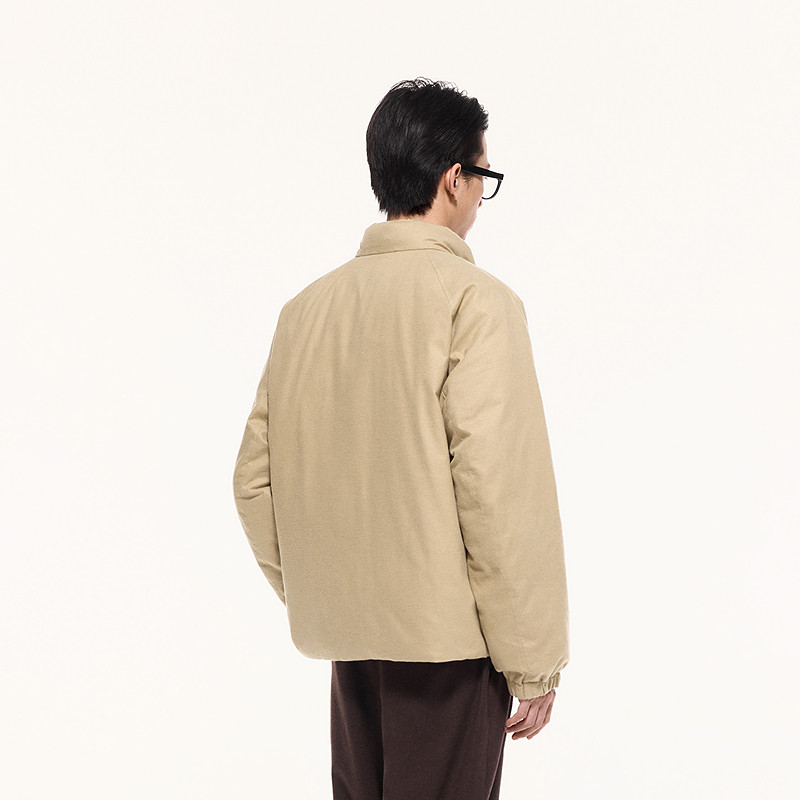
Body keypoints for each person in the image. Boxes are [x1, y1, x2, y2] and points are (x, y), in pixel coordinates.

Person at [232, 77, 570, 800]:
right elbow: (498, 491)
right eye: (483, 178)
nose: (481, 198)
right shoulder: (475, 303)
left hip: (352, 654)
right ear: (454, 179)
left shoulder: (305, 311)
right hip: (449, 655)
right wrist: (533, 662)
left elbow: (254, 482)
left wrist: (330, 596)